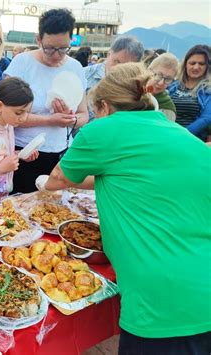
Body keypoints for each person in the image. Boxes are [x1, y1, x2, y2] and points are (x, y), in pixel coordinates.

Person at [39, 62, 211, 355]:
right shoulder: (178, 133)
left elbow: (58, 179)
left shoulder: (103, 130)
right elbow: (130, 175)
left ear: (104, 106)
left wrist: (50, 183)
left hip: (160, 301)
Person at [4, 8, 89, 193]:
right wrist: (51, 120)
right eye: (50, 48)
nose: (57, 55)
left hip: (59, 155)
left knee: (51, 212)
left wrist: (70, 119)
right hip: (24, 152)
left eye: (63, 49)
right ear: (38, 39)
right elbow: (5, 115)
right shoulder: (22, 63)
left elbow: (84, 115)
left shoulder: (75, 68)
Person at [168, 44, 210, 140]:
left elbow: (206, 118)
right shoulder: (172, 86)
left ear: (207, 67)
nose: (196, 67)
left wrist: (182, 134)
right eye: (192, 63)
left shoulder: (208, 90)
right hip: (168, 135)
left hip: (192, 139)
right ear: (185, 65)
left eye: (201, 64)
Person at [145, 53, 179, 121]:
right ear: (149, 71)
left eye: (168, 79)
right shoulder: (131, 92)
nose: (161, 83)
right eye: (158, 75)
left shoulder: (167, 108)